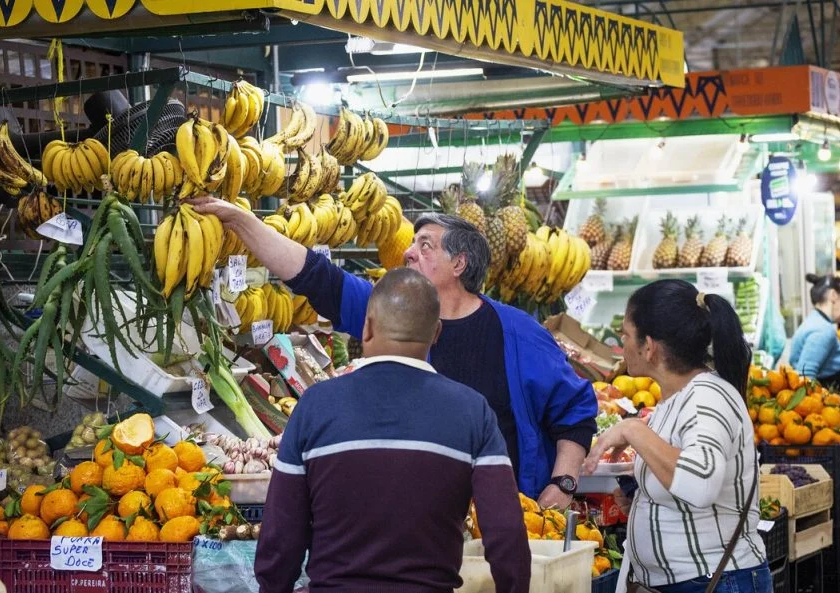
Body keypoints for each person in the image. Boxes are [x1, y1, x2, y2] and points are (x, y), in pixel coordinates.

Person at [191, 197, 597, 507]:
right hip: (416, 518)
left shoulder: (519, 334)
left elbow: (574, 414)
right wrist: (242, 220)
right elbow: (315, 275)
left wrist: (562, 484)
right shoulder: (390, 312)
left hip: (503, 513)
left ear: (459, 263)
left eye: (425, 245)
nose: (407, 252)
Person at [254, 268, 531, 593]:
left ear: (367, 328)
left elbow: (280, 535)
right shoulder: (473, 411)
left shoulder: (314, 407)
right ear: (437, 332)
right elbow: (506, 532)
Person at [584, 280, 770, 593]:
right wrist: (642, 499)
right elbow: (683, 480)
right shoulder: (676, 399)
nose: (621, 343)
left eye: (626, 334)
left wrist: (633, 430)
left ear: (649, 346)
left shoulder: (708, 398)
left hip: (715, 581)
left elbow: (698, 484)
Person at [789, 274, 840, 388]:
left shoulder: (816, 322)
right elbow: (805, 378)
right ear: (833, 296)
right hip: (822, 404)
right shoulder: (822, 330)